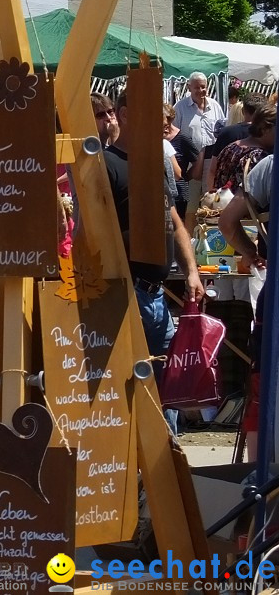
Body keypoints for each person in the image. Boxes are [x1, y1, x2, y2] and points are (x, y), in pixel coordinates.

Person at [104, 91, 205, 435]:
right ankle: (139, 469)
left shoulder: (154, 161)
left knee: (167, 386)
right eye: (152, 114)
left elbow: (174, 219)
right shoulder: (106, 164)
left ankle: (166, 464)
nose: (164, 123)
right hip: (127, 290)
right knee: (129, 384)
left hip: (156, 294)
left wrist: (191, 271)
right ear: (127, 115)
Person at [219, 155, 271, 461]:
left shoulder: (269, 166)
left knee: (262, 389)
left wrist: (251, 253)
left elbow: (226, 222)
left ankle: (258, 486)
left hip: (275, 293)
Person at [172, 72, 225, 222]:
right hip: (191, 161)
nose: (201, 91)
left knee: (212, 202)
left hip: (211, 161)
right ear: (189, 87)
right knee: (192, 204)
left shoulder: (215, 106)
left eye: (204, 87)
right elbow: (173, 134)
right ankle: (189, 240)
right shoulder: (180, 107)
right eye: (197, 87)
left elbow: (222, 130)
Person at [212, 103, 275, 194]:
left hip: (219, 205)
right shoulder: (259, 157)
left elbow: (213, 174)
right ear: (264, 129)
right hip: (240, 207)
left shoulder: (231, 147)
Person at [164, 102, 199, 221]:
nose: (166, 126)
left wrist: (186, 176)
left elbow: (197, 161)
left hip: (178, 192)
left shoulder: (182, 138)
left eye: (167, 121)